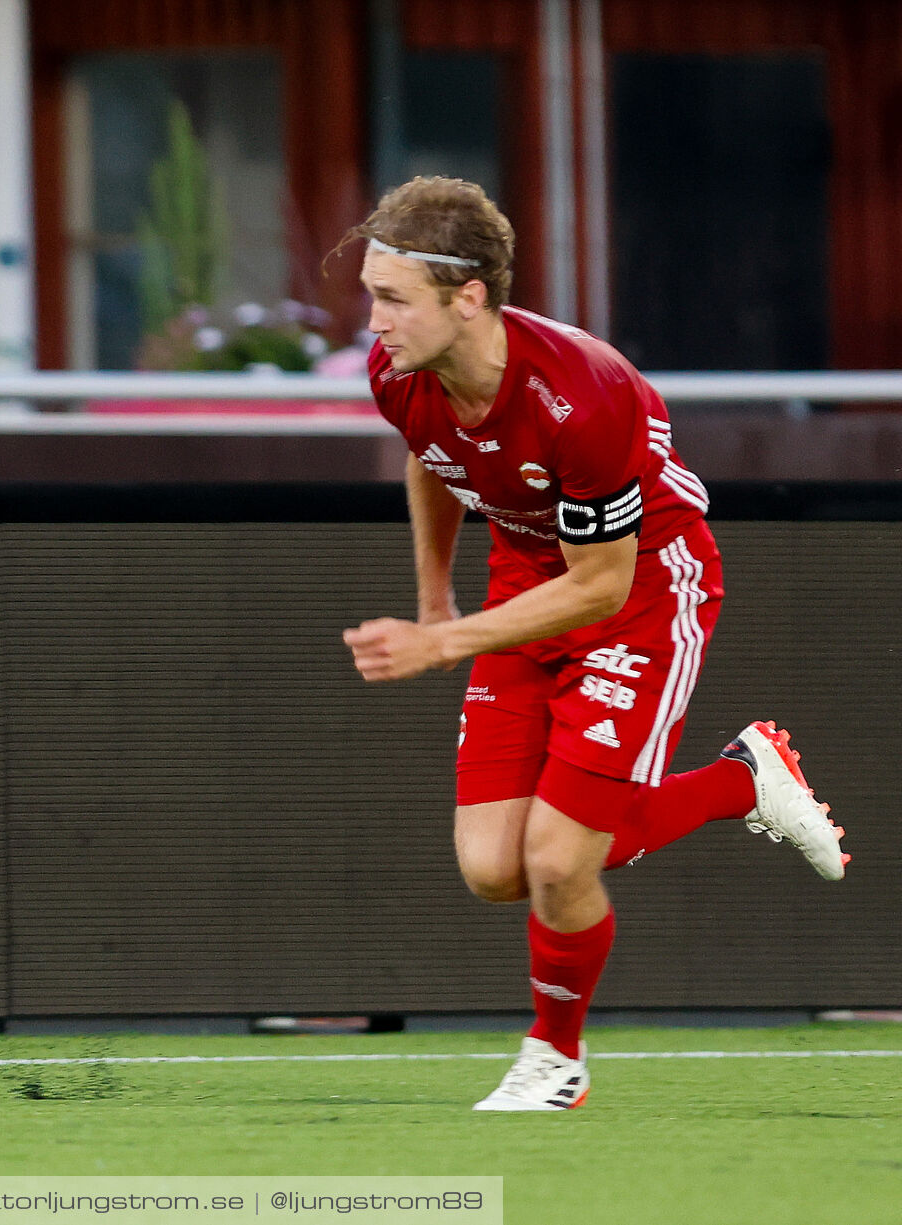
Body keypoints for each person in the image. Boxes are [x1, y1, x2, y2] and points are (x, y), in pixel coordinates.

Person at [339, 177, 844, 1112]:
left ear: (470, 296)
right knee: (495, 866)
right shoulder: (399, 368)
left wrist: (444, 646)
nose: (374, 321)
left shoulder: (583, 395)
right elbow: (433, 450)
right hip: (526, 588)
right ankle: (744, 778)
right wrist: (433, 597)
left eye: (393, 297)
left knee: (560, 861)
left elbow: (602, 583)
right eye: (373, 293)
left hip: (643, 592)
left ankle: (554, 1061)